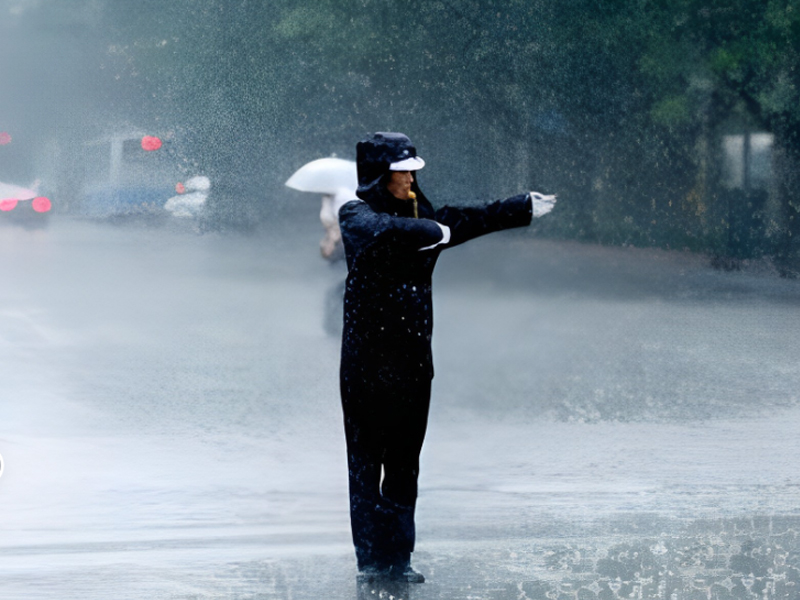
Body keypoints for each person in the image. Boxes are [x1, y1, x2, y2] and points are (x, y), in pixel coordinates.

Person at [338, 132, 556, 583]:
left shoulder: (425, 213)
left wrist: (521, 207)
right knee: (364, 465)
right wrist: (431, 231)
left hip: (413, 364)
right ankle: (370, 561)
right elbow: (384, 233)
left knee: (404, 464)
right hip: (365, 366)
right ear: (380, 175)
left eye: (415, 170)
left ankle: (398, 558)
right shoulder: (356, 215)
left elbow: (467, 219)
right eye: (403, 171)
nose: (412, 178)